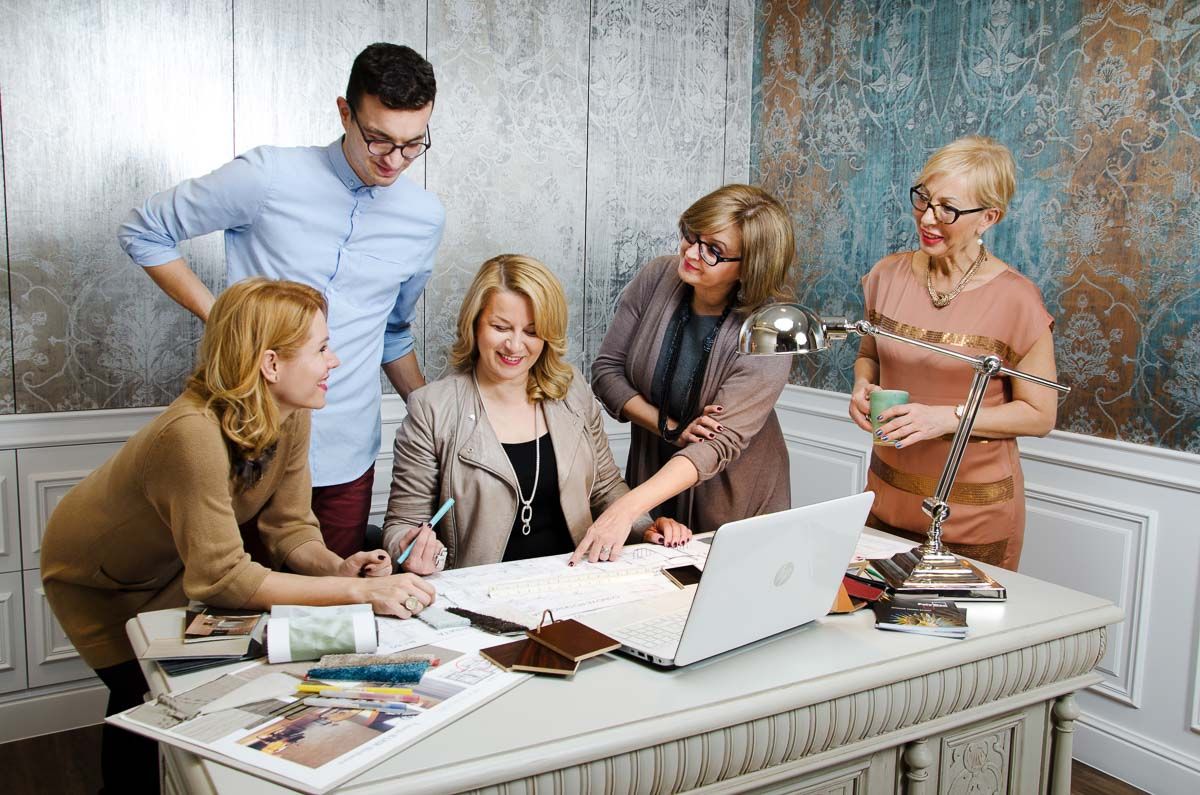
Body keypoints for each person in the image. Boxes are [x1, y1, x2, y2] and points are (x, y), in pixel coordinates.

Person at [40, 278, 435, 795]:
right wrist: (360, 592)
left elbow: (289, 527)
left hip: (175, 564)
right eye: (321, 348)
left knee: (174, 696)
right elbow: (223, 578)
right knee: (143, 697)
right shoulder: (191, 434)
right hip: (98, 582)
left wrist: (338, 567)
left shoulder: (291, 412)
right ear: (271, 364)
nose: (334, 361)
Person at [118, 42, 445, 558]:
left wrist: (436, 418)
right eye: (379, 140)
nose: (394, 161)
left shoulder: (424, 218)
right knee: (241, 597)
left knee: (336, 600)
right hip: (249, 441)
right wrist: (228, 321)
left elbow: (391, 332)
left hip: (346, 456)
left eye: (412, 145)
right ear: (345, 112)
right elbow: (145, 230)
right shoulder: (267, 177)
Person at [382, 255, 687, 572]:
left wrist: (644, 526)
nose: (515, 346)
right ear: (474, 324)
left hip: (576, 576)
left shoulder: (572, 391)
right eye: (500, 327)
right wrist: (410, 545)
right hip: (482, 589)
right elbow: (402, 523)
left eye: (531, 331)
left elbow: (605, 488)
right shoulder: (432, 408)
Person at [848, 136, 1058, 571]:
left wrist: (947, 419)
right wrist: (862, 385)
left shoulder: (1017, 299)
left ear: (988, 217)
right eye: (923, 199)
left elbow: (1040, 415)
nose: (927, 218)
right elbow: (871, 353)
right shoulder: (886, 275)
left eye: (948, 209)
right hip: (886, 496)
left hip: (974, 514)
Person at [586, 184, 796, 563]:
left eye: (713, 250)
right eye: (692, 235)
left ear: (750, 267)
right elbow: (606, 372)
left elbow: (716, 443)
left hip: (733, 499)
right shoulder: (658, 277)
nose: (691, 252)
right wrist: (670, 427)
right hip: (654, 485)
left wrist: (625, 507)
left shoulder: (770, 328)